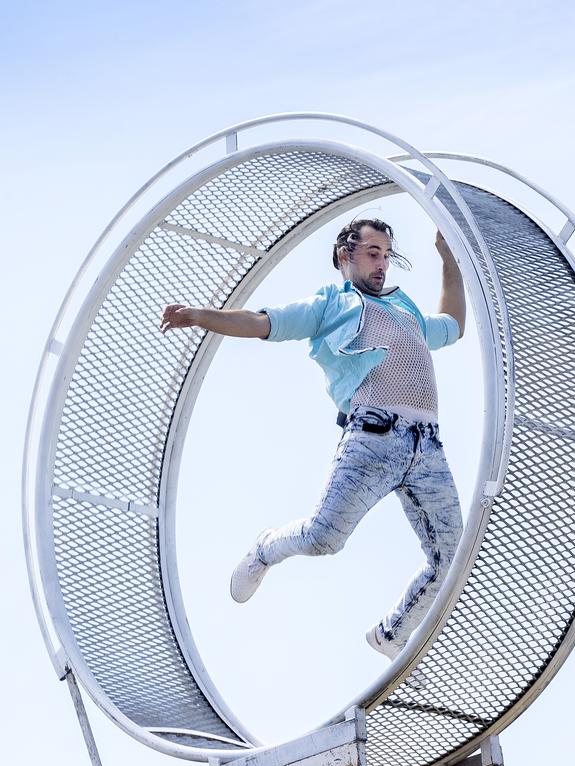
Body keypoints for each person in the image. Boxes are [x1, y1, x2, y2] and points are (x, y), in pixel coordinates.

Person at [160, 219, 465, 660]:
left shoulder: (406, 309)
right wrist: (200, 316)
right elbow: (262, 322)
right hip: (373, 440)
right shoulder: (331, 304)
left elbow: (453, 324)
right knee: (325, 538)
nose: (382, 264)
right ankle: (267, 547)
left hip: (428, 448)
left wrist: (448, 258)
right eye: (372, 253)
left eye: (386, 254)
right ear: (345, 255)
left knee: (452, 559)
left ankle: (391, 634)